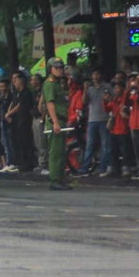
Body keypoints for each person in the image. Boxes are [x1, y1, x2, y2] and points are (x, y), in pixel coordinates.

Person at [42, 58, 73, 190]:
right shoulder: (49, 84)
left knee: (61, 151)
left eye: (61, 68)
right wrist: (55, 122)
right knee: (55, 152)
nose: (60, 70)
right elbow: (50, 103)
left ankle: (60, 178)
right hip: (55, 121)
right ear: (51, 69)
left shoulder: (57, 84)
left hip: (61, 120)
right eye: (57, 68)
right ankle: (55, 180)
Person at [79, 70, 110, 174]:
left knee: (105, 144)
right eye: (94, 74)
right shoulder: (90, 89)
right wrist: (85, 89)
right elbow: (84, 102)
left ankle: (103, 167)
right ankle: (85, 167)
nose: (96, 76)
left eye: (98, 74)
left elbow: (112, 99)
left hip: (104, 118)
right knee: (90, 144)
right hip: (92, 119)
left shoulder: (107, 87)